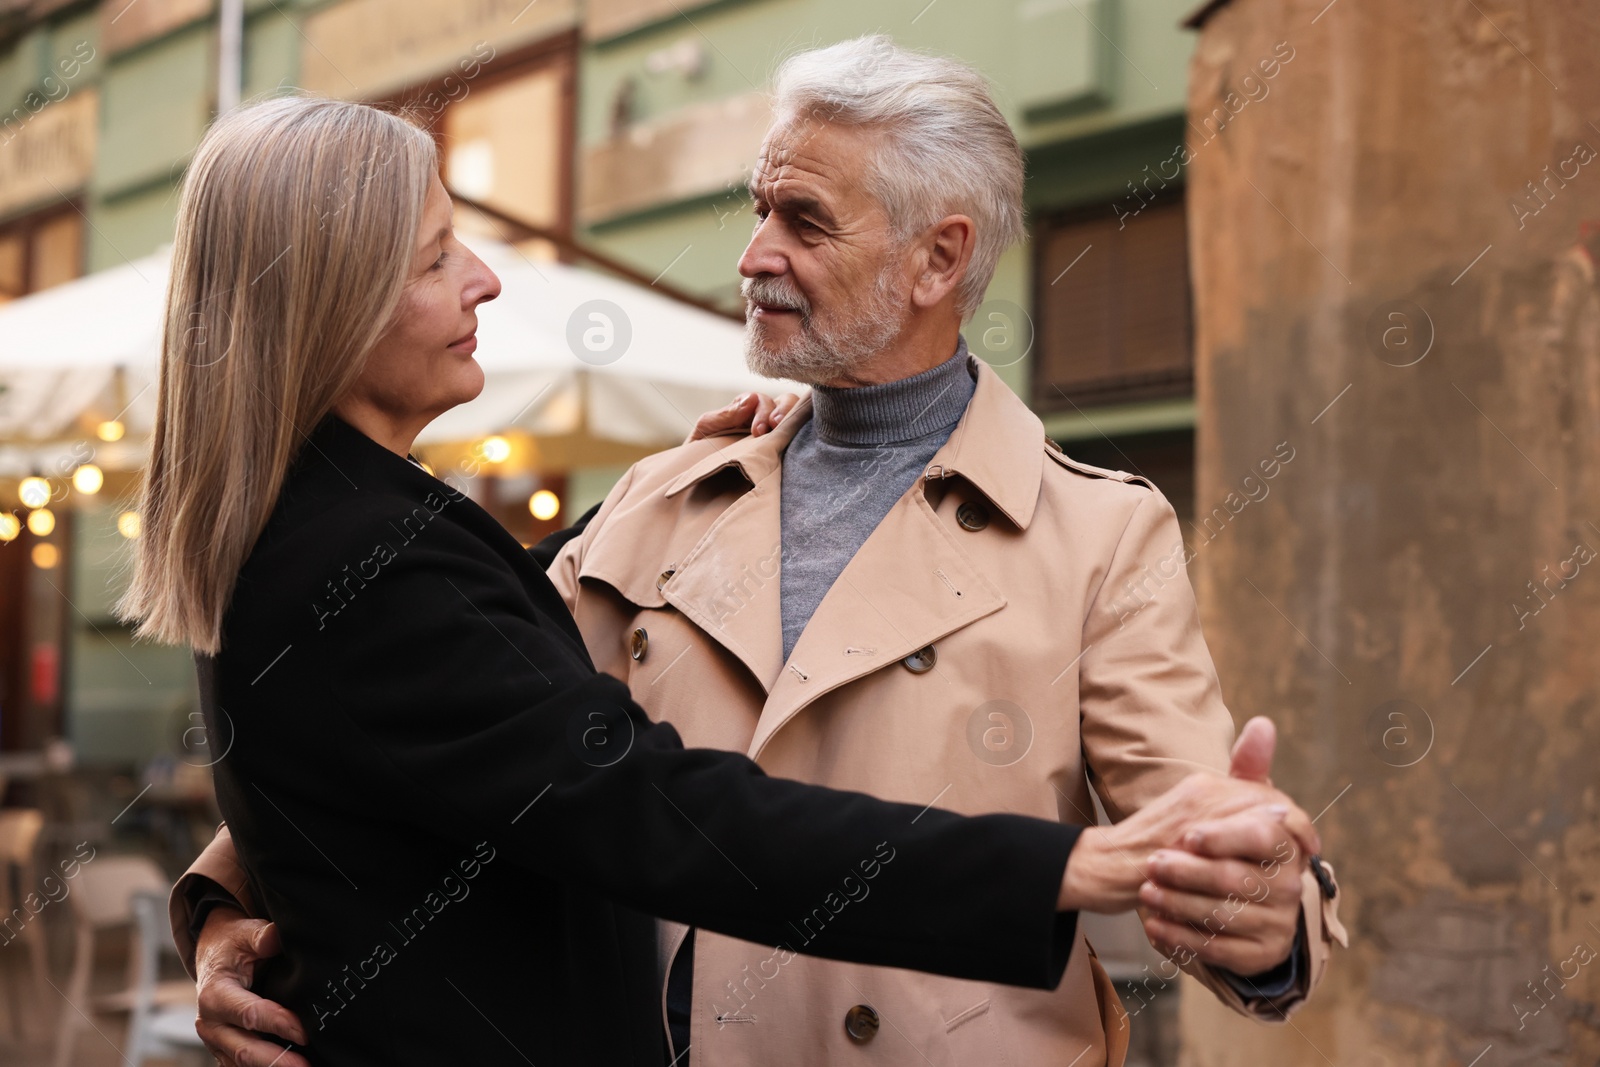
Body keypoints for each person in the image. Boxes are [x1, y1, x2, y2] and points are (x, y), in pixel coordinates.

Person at [124, 94, 1317, 1066]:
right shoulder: (658, 496)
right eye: (756, 209)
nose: (751, 257)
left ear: (935, 259)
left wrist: (1262, 924)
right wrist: (238, 913)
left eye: (803, 219)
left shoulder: (1098, 535)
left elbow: (1206, 840)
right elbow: (461, 726)